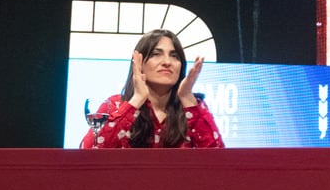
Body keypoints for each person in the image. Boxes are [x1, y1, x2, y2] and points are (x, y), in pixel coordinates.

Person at [80, 30, 224, 149]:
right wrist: (136, 100)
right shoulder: (115, 105)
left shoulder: (192, 108)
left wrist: (186, 97)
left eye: (174, 56)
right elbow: (90, 153)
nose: (167, 62)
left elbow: (219, 163)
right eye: (156, 54)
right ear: (139, 63)